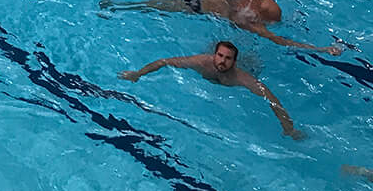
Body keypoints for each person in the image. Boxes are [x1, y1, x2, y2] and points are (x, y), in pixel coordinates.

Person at [118, 40, 303, 138]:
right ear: (214, 55)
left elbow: (271, 99)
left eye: (227, 58)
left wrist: (289, 128)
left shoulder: (242, 78)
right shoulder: (201, 63)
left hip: (249, 68)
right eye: (220, 56)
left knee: (254, 62)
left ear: (234, 61)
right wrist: (138, 74)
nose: (222, 61)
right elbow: (164, 62)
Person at [101, 0, 344, 54]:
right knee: (151, 6)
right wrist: (321, 49)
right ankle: (117, 2)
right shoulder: (252, 23)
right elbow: (281, 41)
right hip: (194, 7)